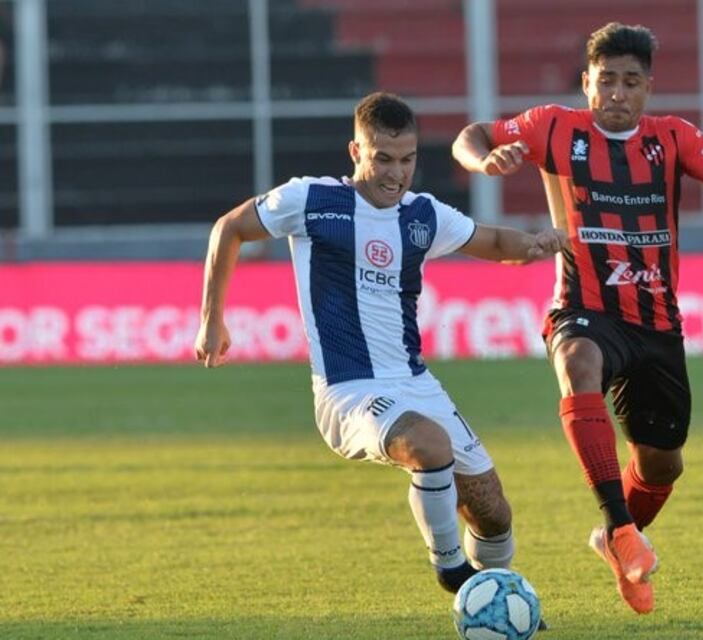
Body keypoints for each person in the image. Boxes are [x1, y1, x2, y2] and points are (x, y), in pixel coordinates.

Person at [452, 22, 703, 614]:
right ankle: (622, 528)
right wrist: (484, 159)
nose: (617, 93)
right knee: (577, 363)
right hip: (583, 305)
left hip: (655, 320)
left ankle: (613, 539)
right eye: (606, 81)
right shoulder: (554, 126)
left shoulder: (673, 138)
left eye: (630, 82)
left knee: (662, 463)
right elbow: (469, 135)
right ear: (587, 83)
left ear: (648, 88)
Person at [195, 92, 567, 595]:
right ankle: (453, 572)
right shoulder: (311, 201)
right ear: (356, 153)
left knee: (492, 509)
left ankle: (496, 596)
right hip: (347, 391)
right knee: (429, 444)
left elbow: (497, 244)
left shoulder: (422, 215)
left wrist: (537, 243)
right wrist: (212, 319)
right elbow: (230, 228)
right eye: (383, 159)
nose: (396, 173)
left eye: (407, 159)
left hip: (415, 382)